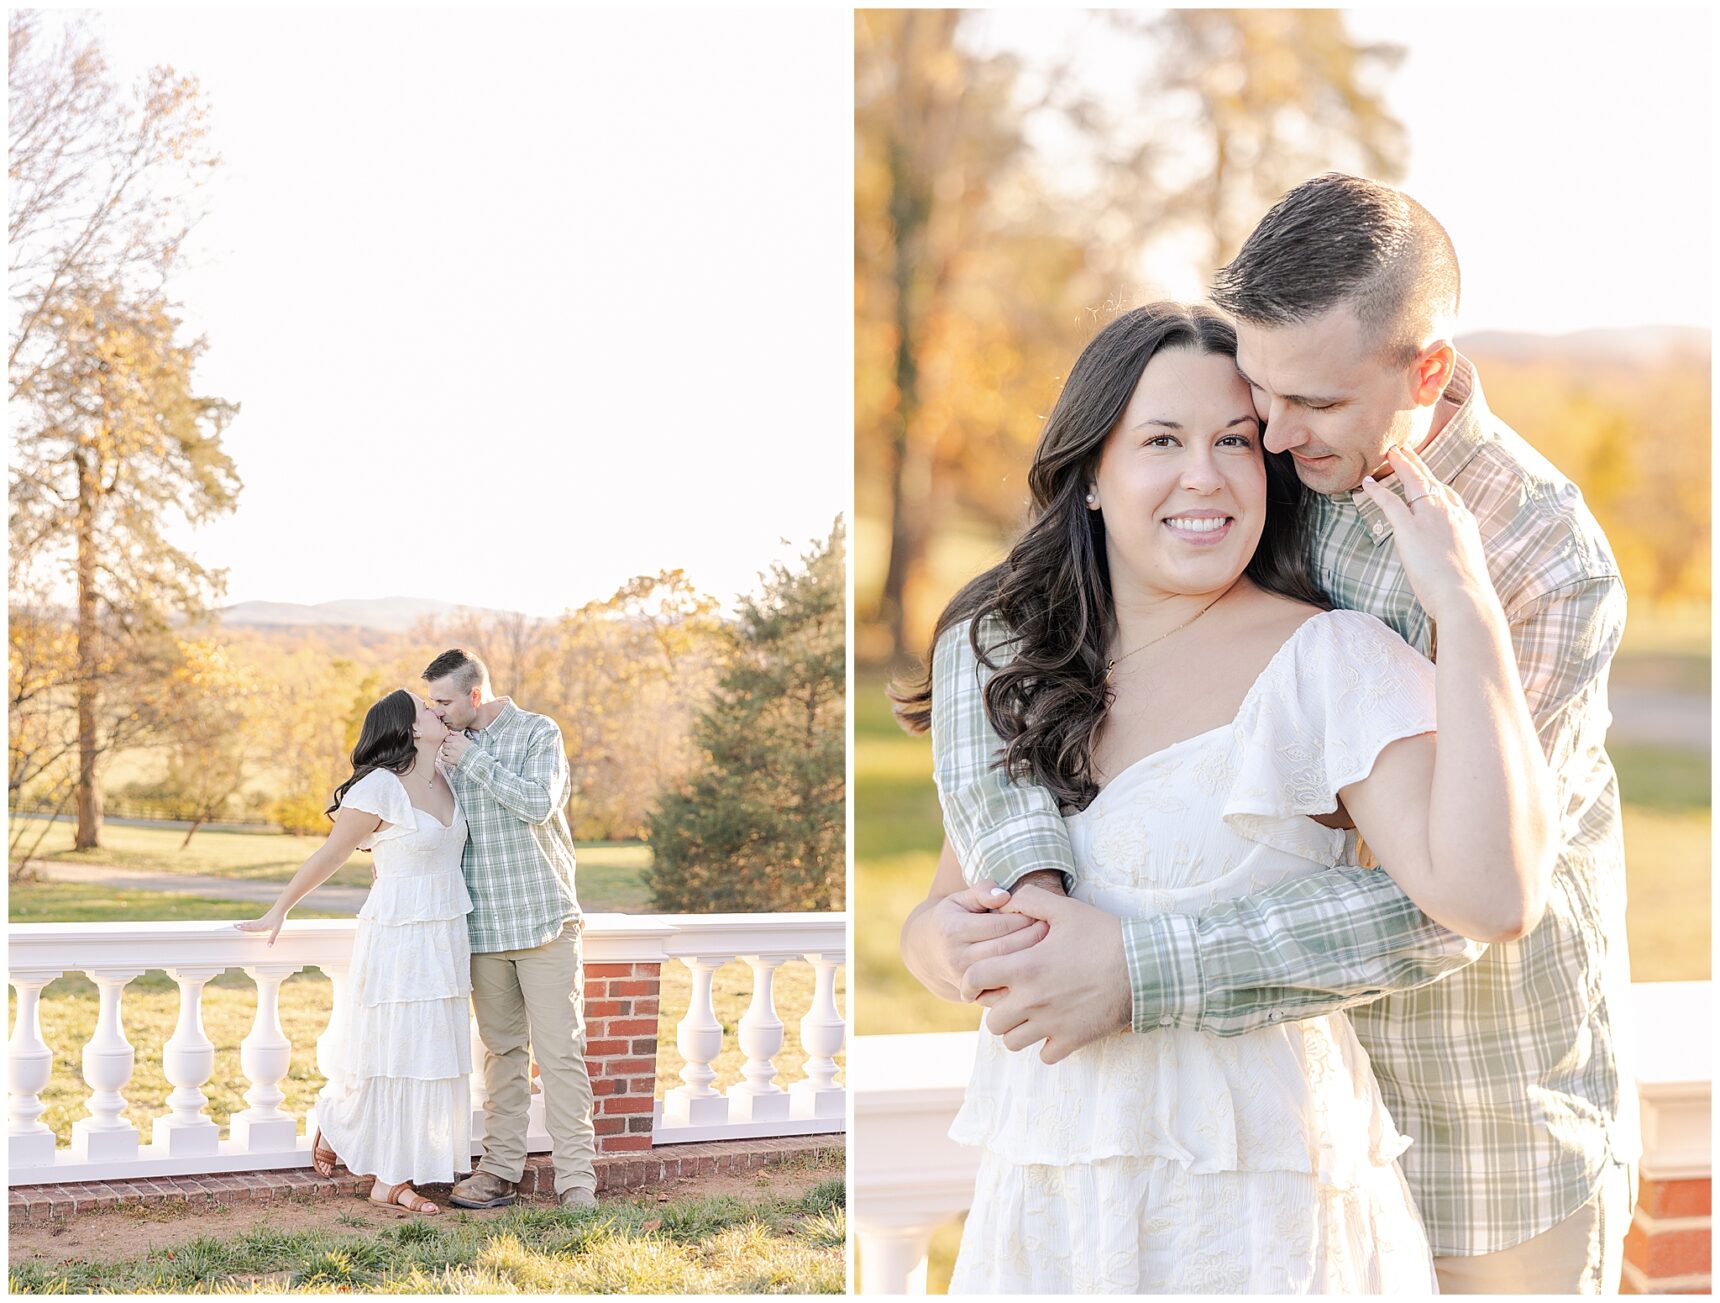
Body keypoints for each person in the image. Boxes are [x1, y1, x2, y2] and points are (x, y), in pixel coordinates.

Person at [903, 175, 1637, 1293]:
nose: (1269, 443)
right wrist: (980, 934)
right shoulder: (1282, 460)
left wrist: (1138, 968)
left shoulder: (1538, 564)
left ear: (1422, 372)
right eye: (1257, 403)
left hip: (1476, 1105)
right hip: (1146, 1159)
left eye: (1287, 417)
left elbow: (1461, 901)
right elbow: (1001, 763)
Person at [238, 689, 470, 1215]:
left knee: (428, 1053)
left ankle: (365, 1144)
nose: (438, 712)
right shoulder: (382, 789)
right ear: (410, 729)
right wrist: (280, 909)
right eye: (427, 709)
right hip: (399, 939)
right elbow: (331, 853)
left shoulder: (449, 779)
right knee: (396, 1050)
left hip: (445, 936)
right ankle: (388, 1177)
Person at [424, 649, 599, 1211]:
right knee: (501, 1055)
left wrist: (471, 760)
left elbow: (538, 803)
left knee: (560, 1054)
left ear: (474, 695)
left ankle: (577, 1179)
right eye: (433, 703)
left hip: (544, 920)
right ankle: (500, 1170)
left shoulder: (536, 733)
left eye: (445, 701)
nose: (439, 712)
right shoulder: (443, 749)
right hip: (483, 928)